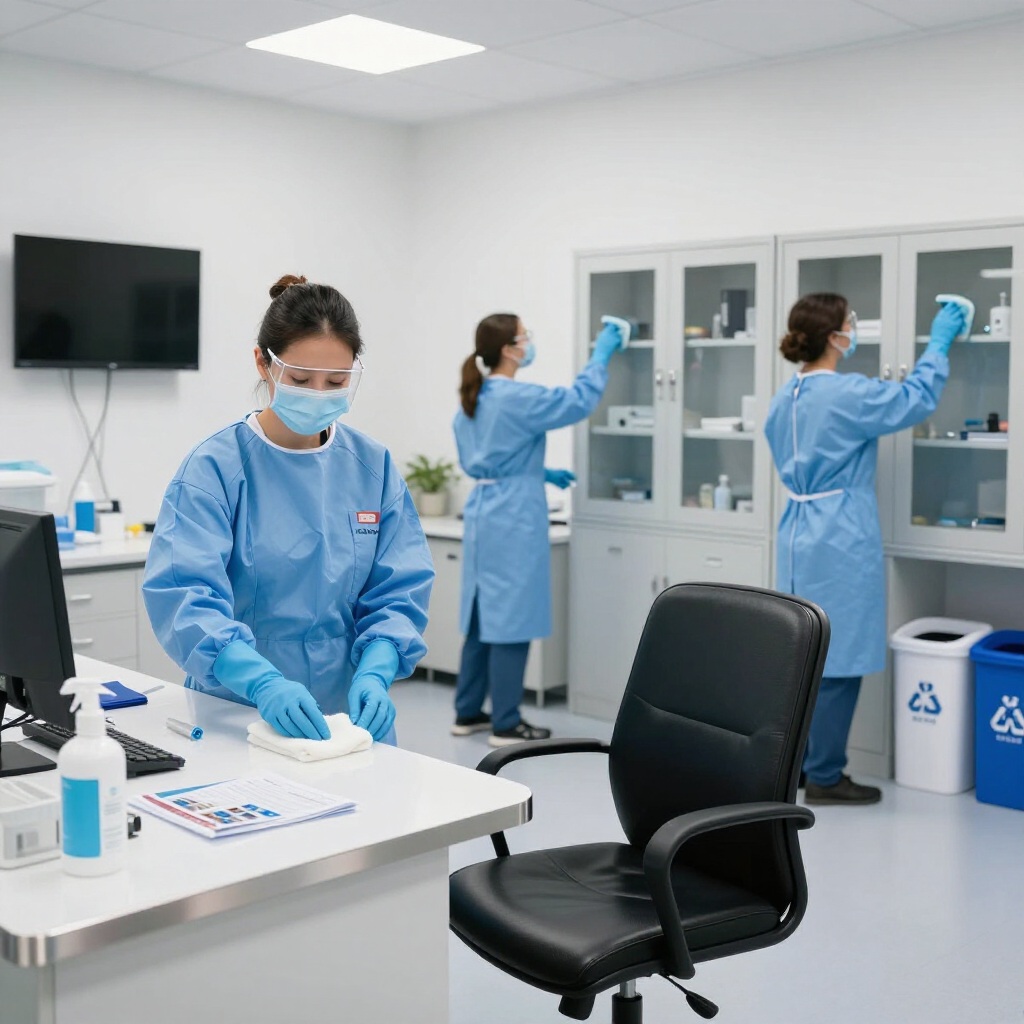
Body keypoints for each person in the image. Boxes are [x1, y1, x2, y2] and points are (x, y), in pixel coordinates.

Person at [144, 275, 433, 745]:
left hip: (349, 718)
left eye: (336, 382)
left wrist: (376, 671)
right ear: (264, 363)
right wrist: (263, 683)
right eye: (300, 379)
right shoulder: (215, 468)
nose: (318, 393)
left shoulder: (371, 467)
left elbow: (399, 589)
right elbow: (184, 596)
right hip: (239, 709)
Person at [765, 293, 965, 805]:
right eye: (849, 322)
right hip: (839, 533)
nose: (854, 327)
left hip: (797, 531)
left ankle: (799, 768)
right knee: (839, 659)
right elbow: (915, 399)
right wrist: (939, 342)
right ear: (834, 337)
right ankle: (827, 777)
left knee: (803, 654)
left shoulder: (785, 396)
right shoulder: (846, 393)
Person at [451, 313, 625, 746]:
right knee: (512, 619)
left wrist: (538, 471)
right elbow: (577, 401)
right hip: (513, 517)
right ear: (509, 349)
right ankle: (506, 723)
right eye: (525, 336)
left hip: (484, 513)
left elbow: (489, 456)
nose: (529, 342)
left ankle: (468, 712)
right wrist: (601, 353)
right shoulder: (517, 396)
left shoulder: (475, 398)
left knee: (480, 617)